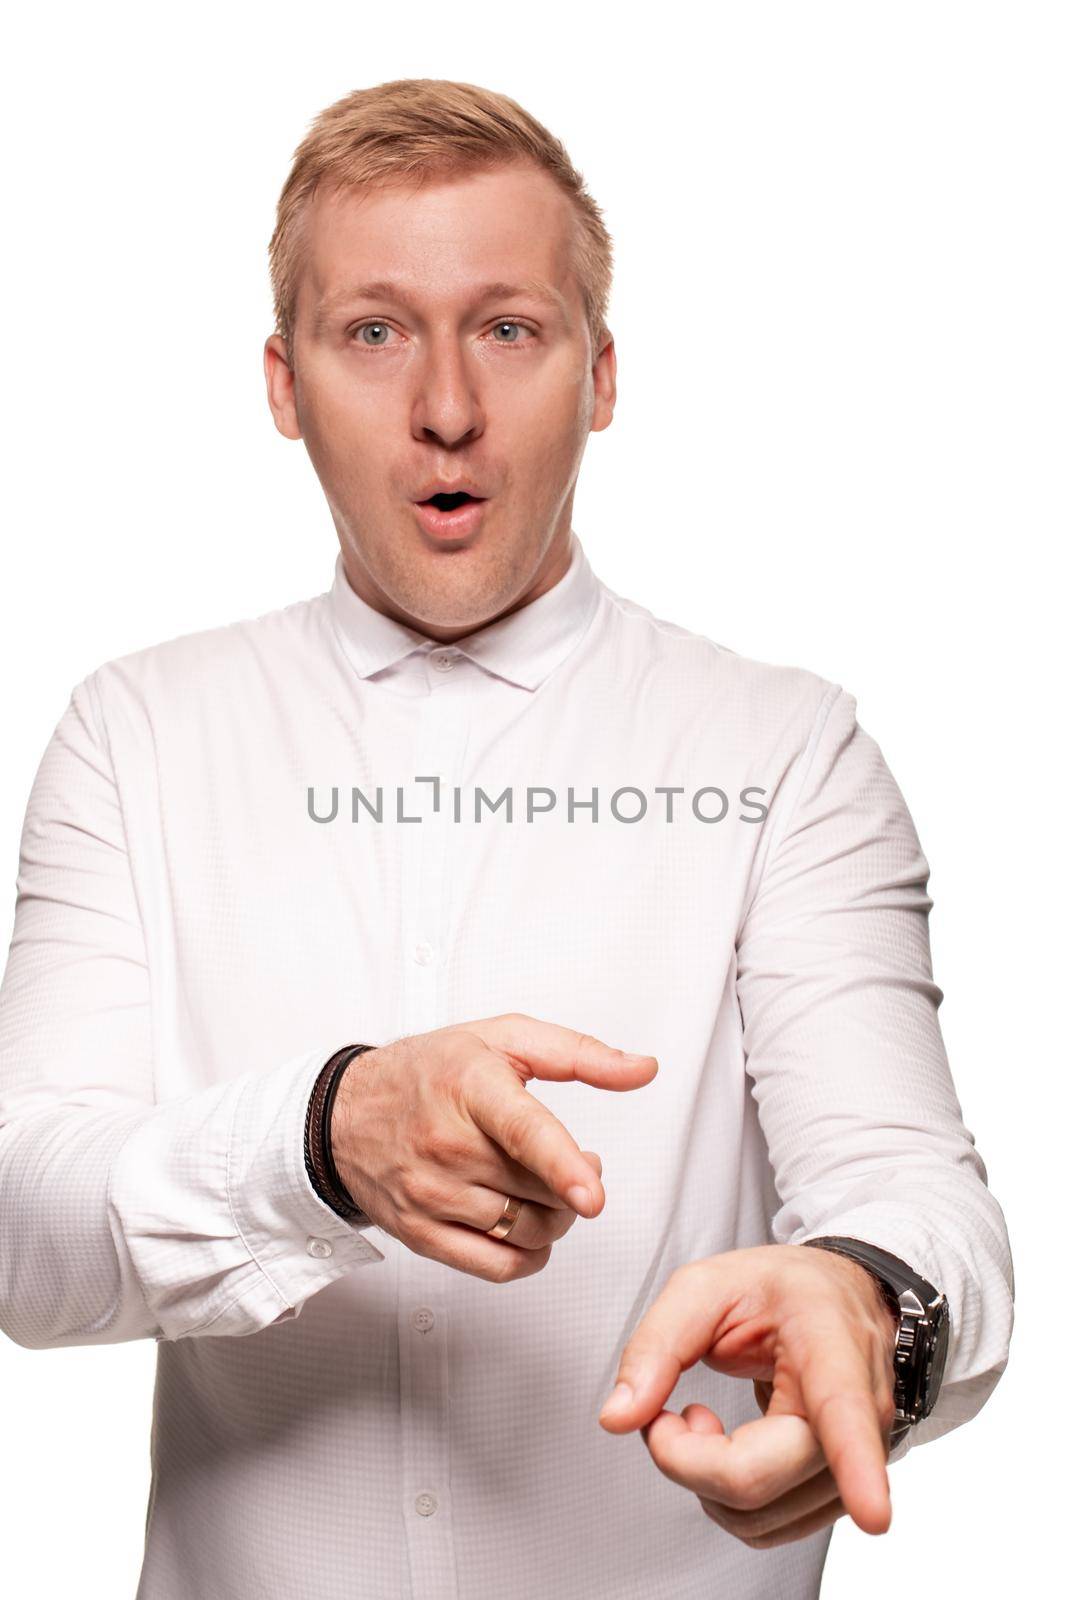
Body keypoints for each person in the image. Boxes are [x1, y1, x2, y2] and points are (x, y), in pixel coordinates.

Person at [0, 77, 1013, 1600]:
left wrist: (868, 1310)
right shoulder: (132, 739)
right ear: (283, 384)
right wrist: (324, 1137)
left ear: (601, 375)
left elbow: (916, 1192)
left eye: (510, 328)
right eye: (374, 330)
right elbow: (25, 1231)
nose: (448, 409)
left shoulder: (788, 752)